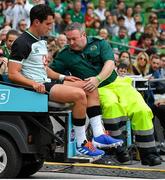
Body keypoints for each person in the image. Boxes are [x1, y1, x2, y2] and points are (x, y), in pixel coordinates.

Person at [8, 4, 123, 158]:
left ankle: (98, 135)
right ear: (36, 22)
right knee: (79, 95)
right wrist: (34, 84)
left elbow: (43, 69)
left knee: (90, 85)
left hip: (46, 80)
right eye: (48, 24)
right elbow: (13, 74)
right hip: (36, 87)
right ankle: (81, 143)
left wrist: (63, 77)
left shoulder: (40, 40)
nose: (51, 27)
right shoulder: (22, 42)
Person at [50, 22, 162, 166]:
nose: (71, 42)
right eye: (68, 39)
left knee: (142, 109)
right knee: (112, 108)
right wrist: (63, 77)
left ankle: (149, 154)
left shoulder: (100, 43)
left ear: (83, 35)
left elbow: (109, 64)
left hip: (116, 82)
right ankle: (120, 152)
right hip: (96, 90)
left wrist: (97, 79)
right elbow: (51, 71)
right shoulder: (65, 55)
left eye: (74, 39)